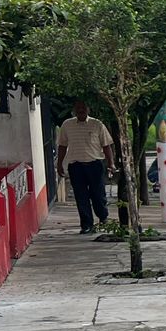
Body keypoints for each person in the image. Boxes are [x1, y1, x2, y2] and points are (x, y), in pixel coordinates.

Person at [56, 100, 115, 234]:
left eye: (83, 107)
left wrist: (111, 163)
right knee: (81, 196)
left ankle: (103, 217)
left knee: (98, 195)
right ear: (74, 110)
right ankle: (86, 224)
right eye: (78, 108)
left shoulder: (97, 124)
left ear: (88, 110)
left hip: (94, 165)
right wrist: (59, 164)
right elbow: (62, 146)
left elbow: (106, 146)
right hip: (76, 166)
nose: (81, 110)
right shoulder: (67, 125)